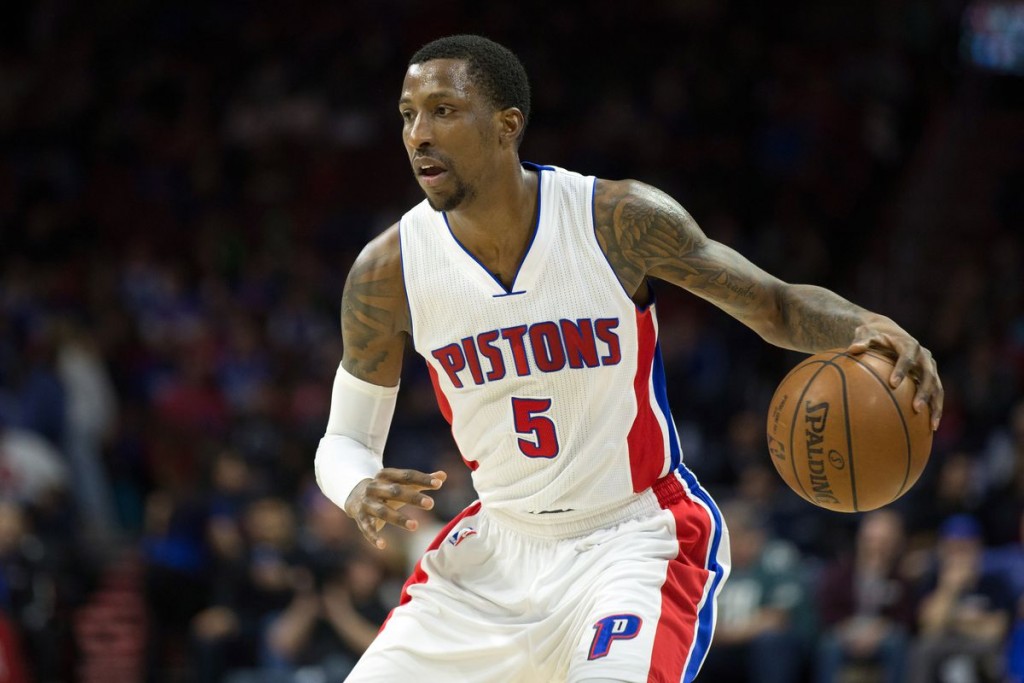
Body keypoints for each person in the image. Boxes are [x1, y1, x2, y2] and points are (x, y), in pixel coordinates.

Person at [313, 34, 944, 682]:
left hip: (630, 540)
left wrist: (866, 326)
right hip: (495, 555)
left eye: (443, 109)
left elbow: (775, 306)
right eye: (407, 114)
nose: (418, 133)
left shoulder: (613, 220)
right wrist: (356, 485)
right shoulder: (387, 271)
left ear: (507, 126)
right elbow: (344, 439)